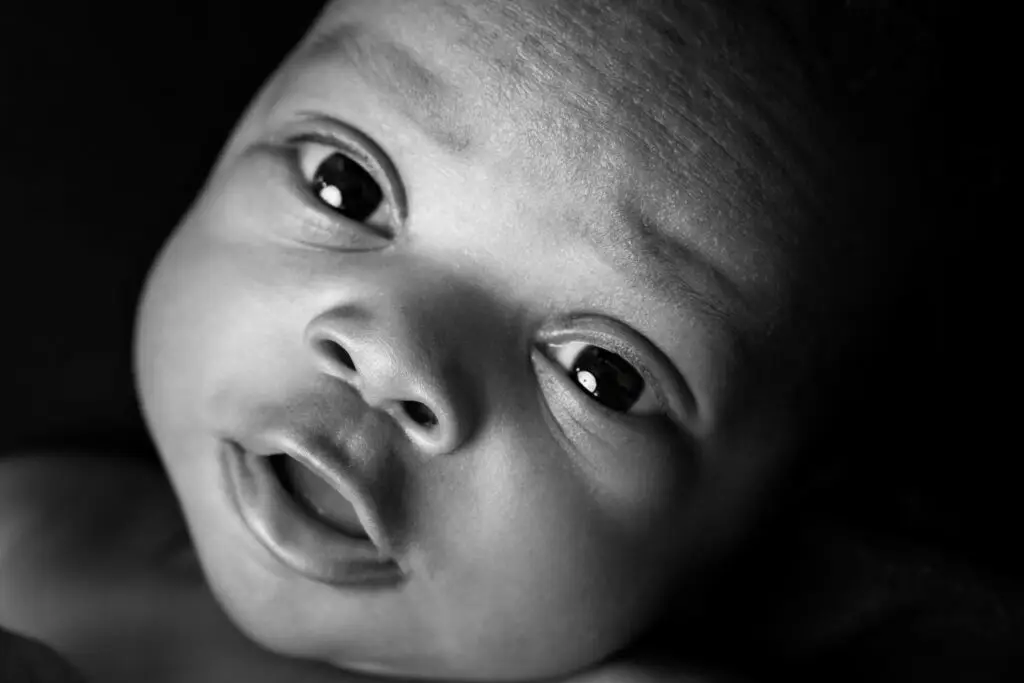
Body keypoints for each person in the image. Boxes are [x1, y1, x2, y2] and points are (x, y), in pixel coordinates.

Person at [6, 1, 1002, 681]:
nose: (391, 356)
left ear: (771, 523)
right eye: (344, 186)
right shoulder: (27, 519)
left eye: (598, 371)